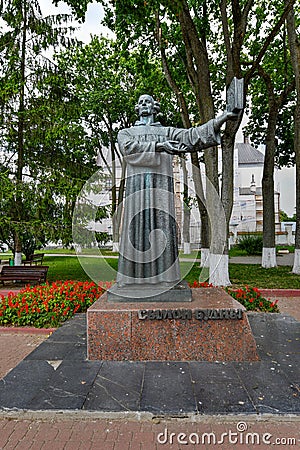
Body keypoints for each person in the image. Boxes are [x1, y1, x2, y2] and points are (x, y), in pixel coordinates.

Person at [115, 94, 236, 289]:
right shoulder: (126, 133)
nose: (144, 104)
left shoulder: (167, 131)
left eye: (148, 101)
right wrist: (159, 146)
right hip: (137, 188)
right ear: (137, 108)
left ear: (155, 107)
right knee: (136, 226)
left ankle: (167, 278)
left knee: (164, 226)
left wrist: (221, 118)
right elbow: (128, 149)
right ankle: (131, 279)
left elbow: (191, 136)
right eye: (141, 101)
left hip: (161, 185)